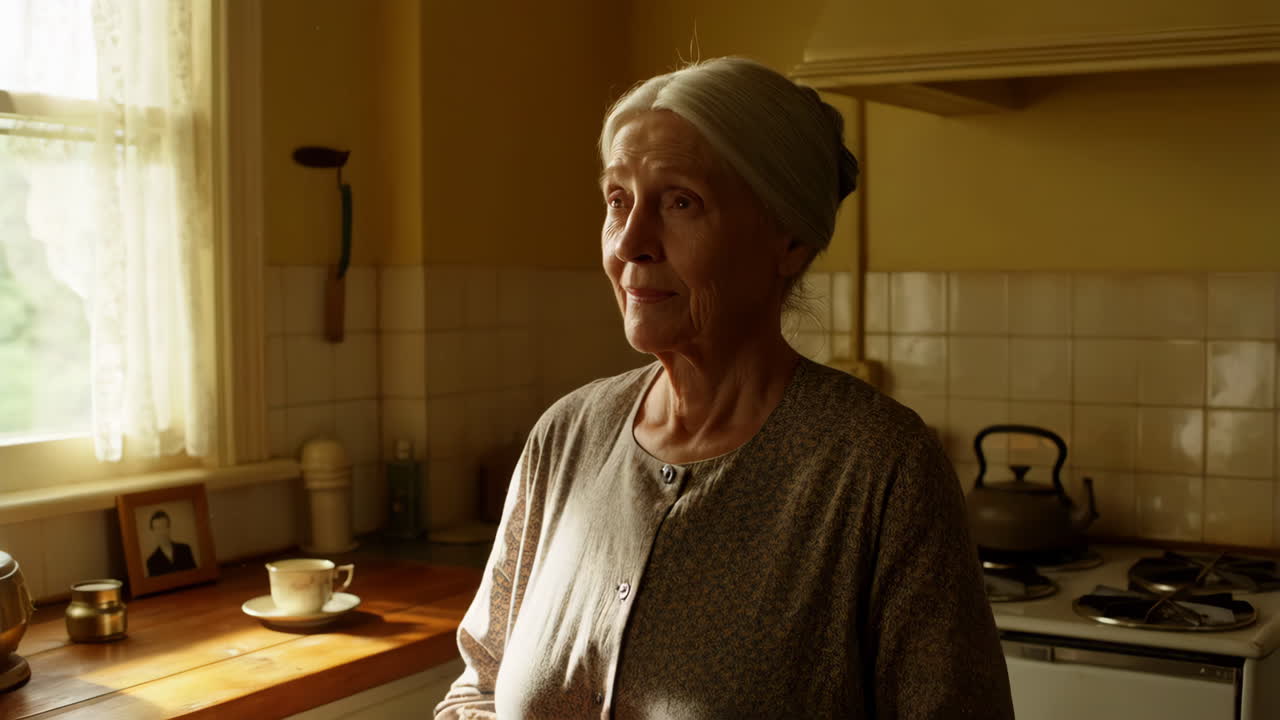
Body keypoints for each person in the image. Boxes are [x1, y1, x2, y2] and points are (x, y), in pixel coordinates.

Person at [435, 57, 1013, 719]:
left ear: (788, 240)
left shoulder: (881, 472)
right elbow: (479, 686)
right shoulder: (567, 437)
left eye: (681, 202)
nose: (630, 243)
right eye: (618, 200)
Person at [145, 509, 197, 576]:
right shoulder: (151, 562)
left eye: (164, 527)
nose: (162, 532)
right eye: (157, 528)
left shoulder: (185, 549)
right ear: (153, 532)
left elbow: (196, 576)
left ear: (169, 528)